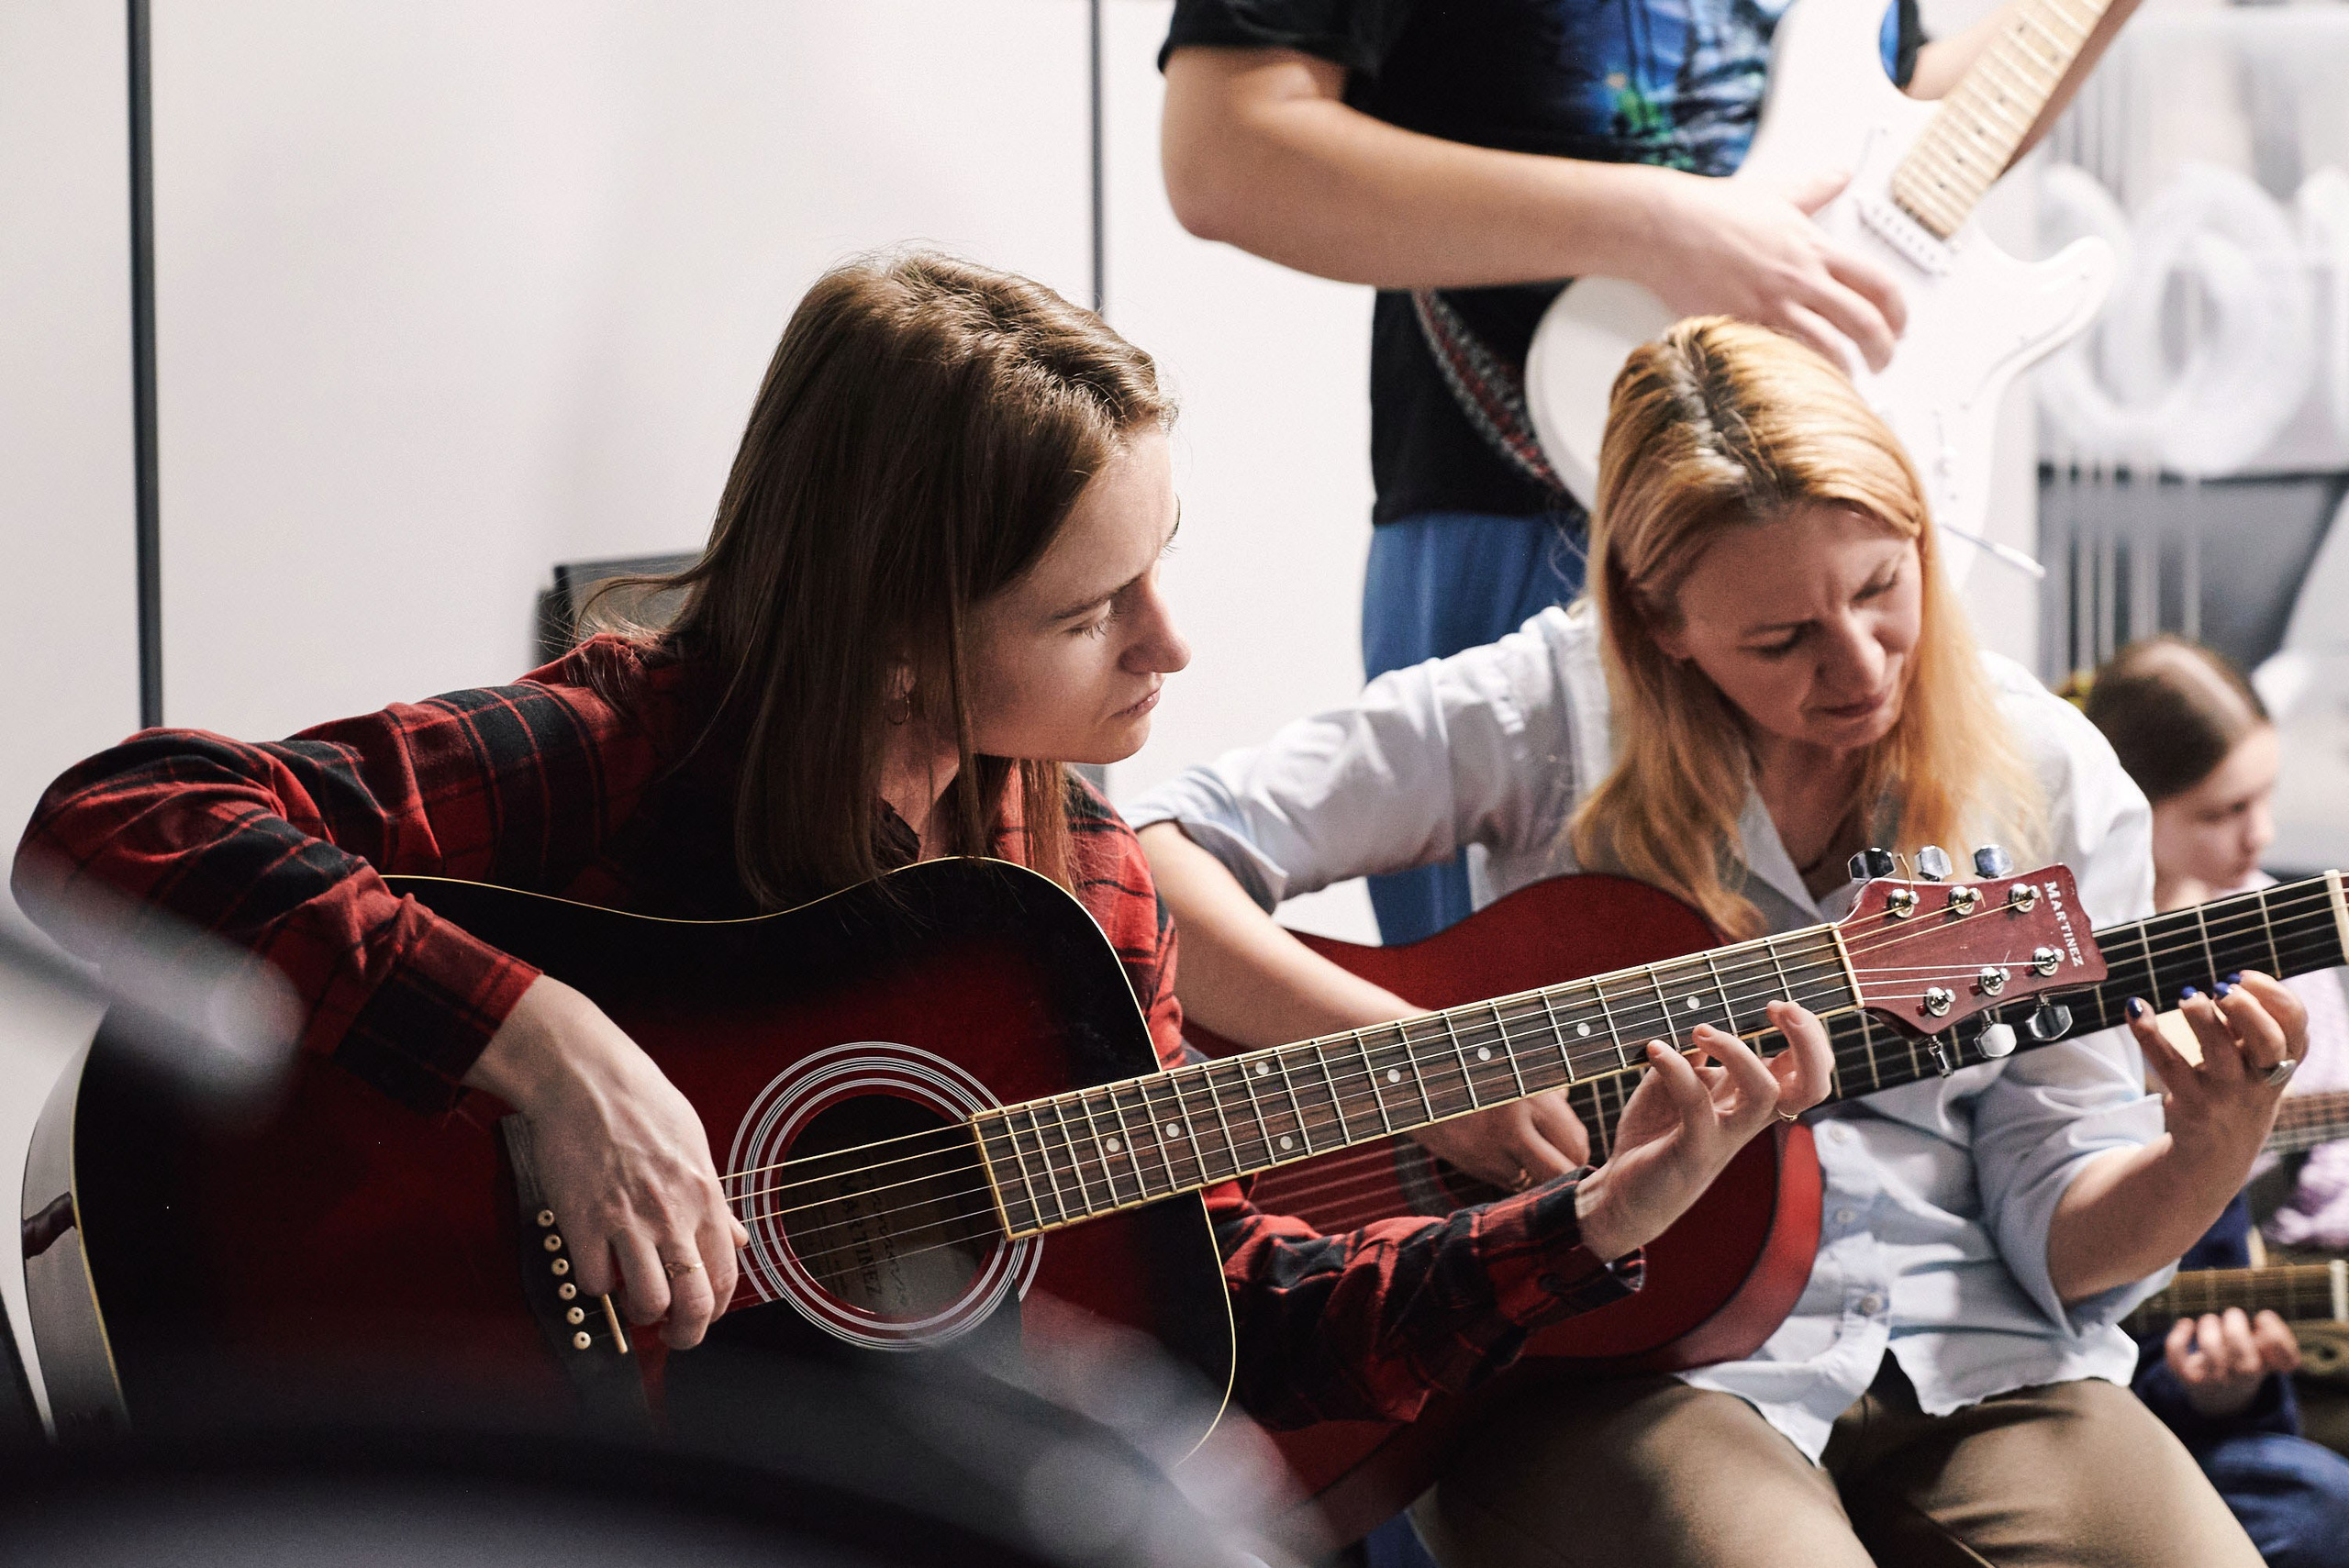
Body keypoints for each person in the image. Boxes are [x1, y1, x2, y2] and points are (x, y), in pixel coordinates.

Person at [11, 255, 1829, 1429]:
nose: (1171, 646)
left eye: (1160, 568)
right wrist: (547, 1049)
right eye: (1090, 611)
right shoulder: (634, 741)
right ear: (897, 632)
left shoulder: (1076, 875)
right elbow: (117, 822)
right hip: (442, 1439)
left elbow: (1237, 1318)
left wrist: (1590, 1220)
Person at [1131, 316, 2310, 1566]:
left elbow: (2057, 1222)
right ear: (1659, 617)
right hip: (1611, 1353)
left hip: (1973, 1348)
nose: (1859, 665)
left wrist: (2203, 1154)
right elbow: (1150, 854)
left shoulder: (2048, 769)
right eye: (1781, 638)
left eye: (1882, 586)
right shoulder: (1547, 710)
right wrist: (1424, 1069)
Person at [1156, 0, 2139, 944]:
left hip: (1816, 512)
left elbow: (1887, 123)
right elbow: (1225, 153)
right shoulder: (1521, 693)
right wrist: (1660, 223)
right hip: (1528, 510)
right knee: (1500, 1031)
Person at [2083, 635, 2349, 1568]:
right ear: (2127, 805)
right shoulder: (2067, 966)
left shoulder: (2266, 926)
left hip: (2240, 1267)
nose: (2259, 833)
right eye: (2222, 809)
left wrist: (2224, 1381)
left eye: (2264, 796)